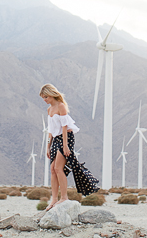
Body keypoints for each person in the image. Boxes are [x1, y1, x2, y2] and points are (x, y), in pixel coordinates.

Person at [40, 83, 99, 211]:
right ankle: (54, 199)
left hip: (66, 138)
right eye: (43, 98)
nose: (45, 100)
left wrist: (66, 146)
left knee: (58, 167)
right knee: (52, 169)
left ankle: (64, 197)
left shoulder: (61, 106)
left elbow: (65, 127)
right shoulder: (49, 110)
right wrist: (48, 146)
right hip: (55, 139)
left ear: (51, 94)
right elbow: (51, 129)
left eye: (46, 97)